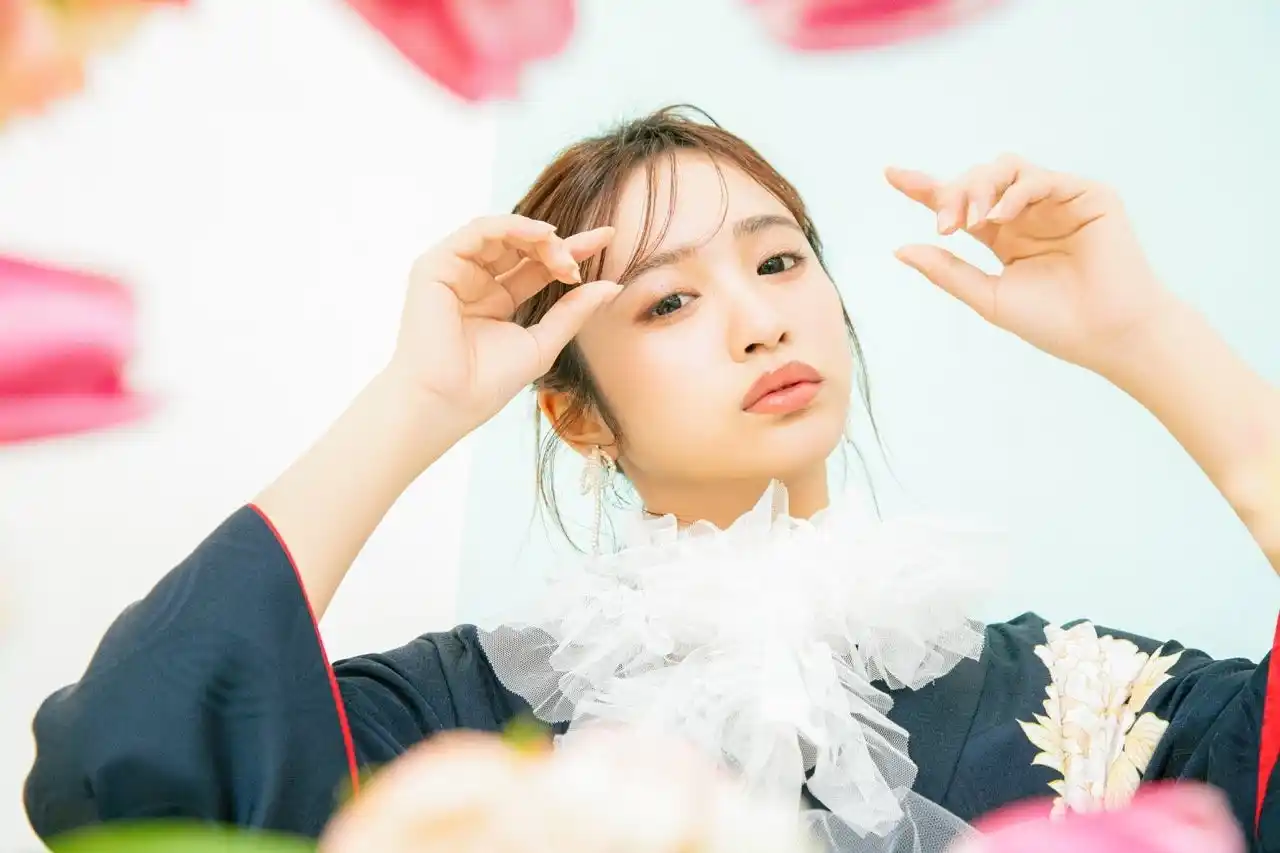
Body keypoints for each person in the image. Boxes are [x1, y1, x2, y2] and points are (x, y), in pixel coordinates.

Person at [23, 107, 1280, 852]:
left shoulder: (1091, 702)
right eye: (669, 299)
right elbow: (126, 771)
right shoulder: (456, 727)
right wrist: (416, 401)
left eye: (778, 263)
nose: (758, 320)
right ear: (574, 414)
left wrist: (1149, 336)